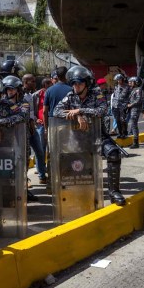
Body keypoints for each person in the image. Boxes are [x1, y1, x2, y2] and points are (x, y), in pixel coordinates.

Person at [53, 66, 126, 205]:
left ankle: (114, 192)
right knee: (74, 164)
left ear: (87, 83)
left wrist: (80, 110)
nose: (76, 86)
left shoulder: (96, 94)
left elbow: (102, 110)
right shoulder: (70, 96)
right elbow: (57, 111)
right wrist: (77, 116)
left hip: (98, 135)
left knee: (114, 154)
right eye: (74, 83)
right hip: (77, 138)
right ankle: (76, 193)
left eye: (79, 83)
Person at [43, 67, 72, 131]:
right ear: (67, 76)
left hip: (53, 125)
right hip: (68, 124)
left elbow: (44, 111)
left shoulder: (48, 91)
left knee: (53, 141)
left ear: (57, 77)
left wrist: (46, 128)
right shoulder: (72, 90)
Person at [111, 74, 131, 138]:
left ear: (122, 79)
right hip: (115, 105)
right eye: (117, 80)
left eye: (119, 80)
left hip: (123, 106)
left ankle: (124, 133)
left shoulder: (127, 87)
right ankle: (120, 133)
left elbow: (130, 96)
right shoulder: (116, 86)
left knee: (123, 120)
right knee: (117, 120)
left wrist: (128, 104)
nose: (118, 81)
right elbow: (114, 96)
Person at [126, 76, 143, 149]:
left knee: (134, 125)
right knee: (133, 125)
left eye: (132, 82)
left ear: (136, 83)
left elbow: (138, 100)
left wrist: (131, 104)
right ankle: (135, 142)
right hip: (132, 109)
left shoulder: (138, 90)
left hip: (135, 109)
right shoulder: (133, 89)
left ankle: (136, 143)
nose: (130, 83)